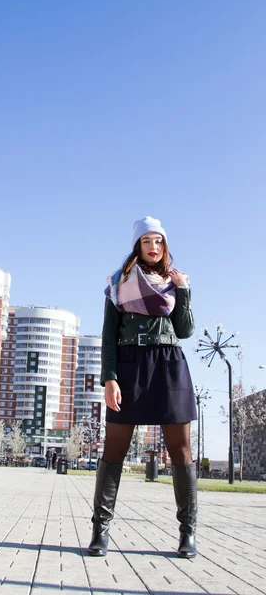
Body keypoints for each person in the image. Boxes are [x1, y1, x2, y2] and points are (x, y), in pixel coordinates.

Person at [88, 216, 197, 559]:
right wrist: (109, 378)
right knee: (114, 449)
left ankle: (187, 534)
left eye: (159, 241)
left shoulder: (173, 283)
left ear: (165, 247)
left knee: (181, 451)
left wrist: (184, 291)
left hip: (169, 366)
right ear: (138, 245)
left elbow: (185, 330)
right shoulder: (119, 284)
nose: (153, 247)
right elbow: (108, 336)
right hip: (130, 366)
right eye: (147, 241)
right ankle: (100, 532)